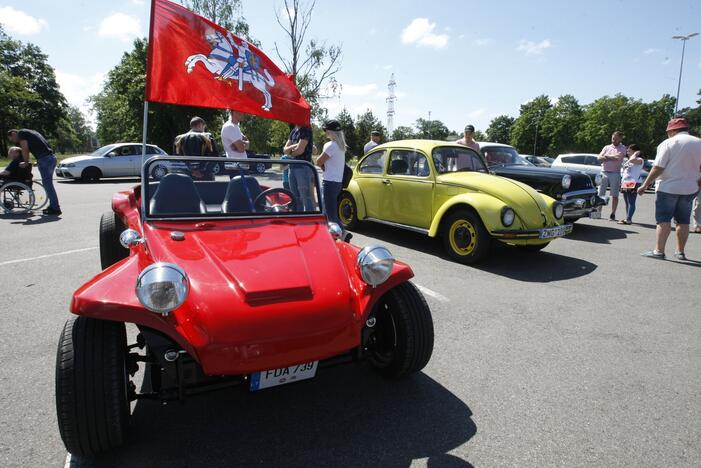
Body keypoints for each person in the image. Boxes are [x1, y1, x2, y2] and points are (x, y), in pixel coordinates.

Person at [638, 117, 701, 261]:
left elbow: (658, 167)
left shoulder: (668, 143)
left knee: (663, 219)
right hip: (690, 188)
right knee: (683, 221)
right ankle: (680, 252)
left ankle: (659, 251)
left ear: (672, 130)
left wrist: (645, 185)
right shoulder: (699, 143)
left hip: (668, 187)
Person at [7, 128, 60, 215]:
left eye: (12, 139)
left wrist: (26, 162)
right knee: (48, 184)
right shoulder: (32, 132)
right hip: (51, 157)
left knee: (47, 184)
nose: (14, 141)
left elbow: (25, 149)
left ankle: (55, 208)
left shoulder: (21, 133)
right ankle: (53, 206)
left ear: (13, 133)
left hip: (45, 159)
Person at [316, 120, 346, 224]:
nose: (325, 132)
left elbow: (318, 161)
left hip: (329, 182)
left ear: (330, 131)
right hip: (337, 182)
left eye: (325, 130)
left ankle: (343, 234)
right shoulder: (340, 146)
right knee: (330, 212)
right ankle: (335, 234)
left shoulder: (331, 145)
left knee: (330, 215)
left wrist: (322, 166)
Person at [283, 124, 314, 211]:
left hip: (303, 168)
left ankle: (309, 220)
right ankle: (298, 218)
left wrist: (290, 152)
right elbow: (285, 150)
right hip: (292, 167)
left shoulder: (306, 129)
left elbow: (300, 150)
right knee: (295, 197)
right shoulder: (294, 130)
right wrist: (293, 146)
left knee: (306, 197)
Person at [597, 131, 626, 220]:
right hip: (604, 172)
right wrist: (611, 157)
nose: (614, 140)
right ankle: (598, 212)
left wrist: (606, 157)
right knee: (600, 194)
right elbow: (599, 158)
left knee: (614, 195)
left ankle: (613, 214)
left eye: (616, 139)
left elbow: (618, 157)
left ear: (620, 139)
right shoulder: (607, 147)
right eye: (613, 138)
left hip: (615, 173)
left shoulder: (623, 148)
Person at [618, 144, 644, 225]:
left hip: (633, 182)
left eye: (629, 150)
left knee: (631, 202)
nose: (627, 152)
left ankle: (628, 219)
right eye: (627, 150)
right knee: (627, 202)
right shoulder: (628, 160)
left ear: (635, 151)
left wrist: (636, 154)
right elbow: (625, 171)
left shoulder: (639, 159)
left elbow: (633, 161)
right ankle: (628, 218)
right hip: (626, 182)